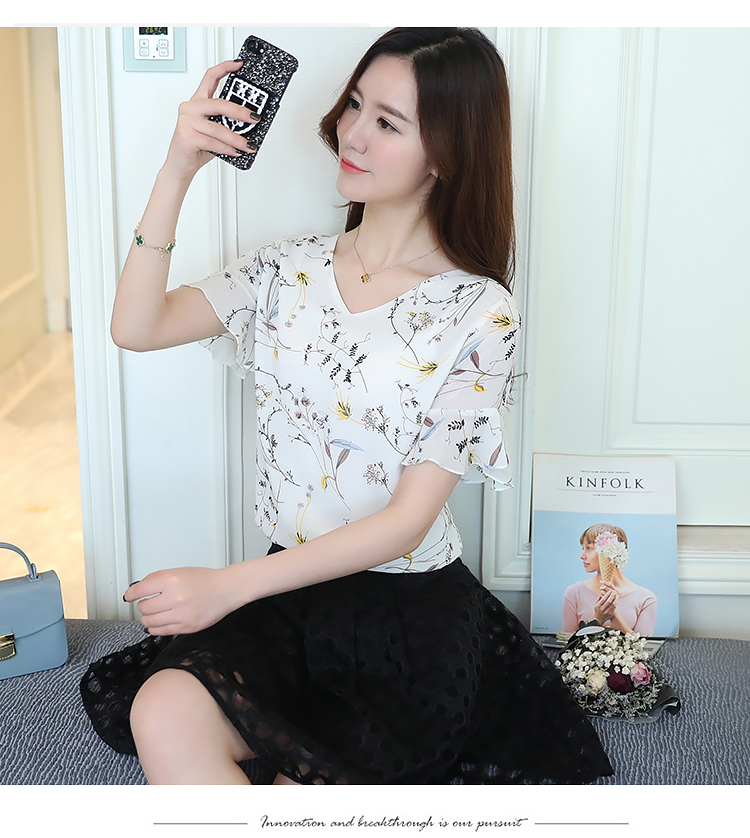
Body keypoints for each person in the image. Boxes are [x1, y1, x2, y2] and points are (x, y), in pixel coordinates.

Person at [80, 27, 613, 785]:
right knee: (161, 709)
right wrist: (178, 168)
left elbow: (407, 522)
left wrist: (225, 586)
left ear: (445, 153)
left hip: (404, 616)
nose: (351, 133)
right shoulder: (285, 268)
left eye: (387, 122)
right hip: (287, 594)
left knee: (314, 781)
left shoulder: (478, 312)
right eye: (355, 104)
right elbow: (136, 327)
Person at [562, 524, 658, 636]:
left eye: (589, 548)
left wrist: (612, 614)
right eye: (583, 548)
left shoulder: (645, 599)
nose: (582, 556)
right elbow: (566, 642)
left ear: (610, 551)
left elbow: (644, 645)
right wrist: (598, 618)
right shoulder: (574, 592)